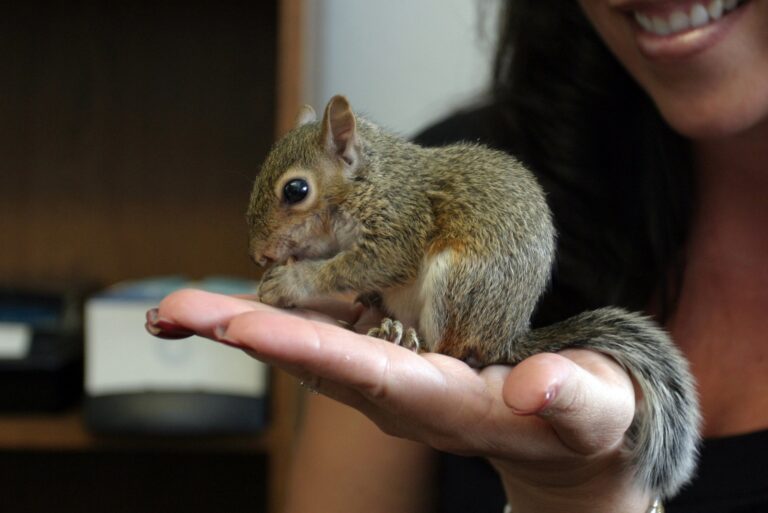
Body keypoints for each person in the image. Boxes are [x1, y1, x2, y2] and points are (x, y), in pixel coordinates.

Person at [147, 1, 768, 511]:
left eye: (297, 198)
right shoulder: (462, 144)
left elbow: (386, 262)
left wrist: (581, 493)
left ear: (346, 149)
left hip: (466, 295)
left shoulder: (387, 202)